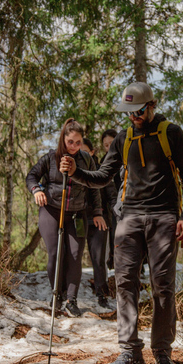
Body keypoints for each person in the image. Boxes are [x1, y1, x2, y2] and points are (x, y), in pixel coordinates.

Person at [60, 82, 183, 364]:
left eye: (138, 111)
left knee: (163, 286)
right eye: (129, 112)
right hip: (129, 218)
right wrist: (76, 172)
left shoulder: (170, 133)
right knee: (124, 283)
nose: (133, 116)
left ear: (152, 106)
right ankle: (130, 351)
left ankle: (162, 353)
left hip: (164, 218)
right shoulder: (124, 138)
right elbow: (102, 176)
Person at [26, 118, 107, 317]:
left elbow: (94, 188)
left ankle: (71, 299)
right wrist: (36, 190)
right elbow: (31, 176)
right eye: (70, 142)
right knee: (55, 253)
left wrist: (97, 212)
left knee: (74, 255)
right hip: (51, 210)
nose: (74, 146)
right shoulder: (50, 157)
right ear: (63, 139)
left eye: (78, 143)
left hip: (77, 214)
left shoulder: (87, 160)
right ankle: (57, 295)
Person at [80, 137, 114, 310]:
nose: (81, 153)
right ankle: (67, 296)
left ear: (92, 152)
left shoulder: (101, 170)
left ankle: (102, 295)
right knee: (71, 257)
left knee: (98, 258)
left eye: (85, 150)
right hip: (78, 219)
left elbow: (111, 195)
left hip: (99, 220)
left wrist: (111, 215)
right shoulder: (73, 170)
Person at [100, 129, 119, 269]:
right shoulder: (103, 162)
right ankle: (112, 265)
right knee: (114, 236)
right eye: (106, 145)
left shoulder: (127, 157)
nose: (109, 148)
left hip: (130, 202)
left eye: (111, 144)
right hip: (111, 206)